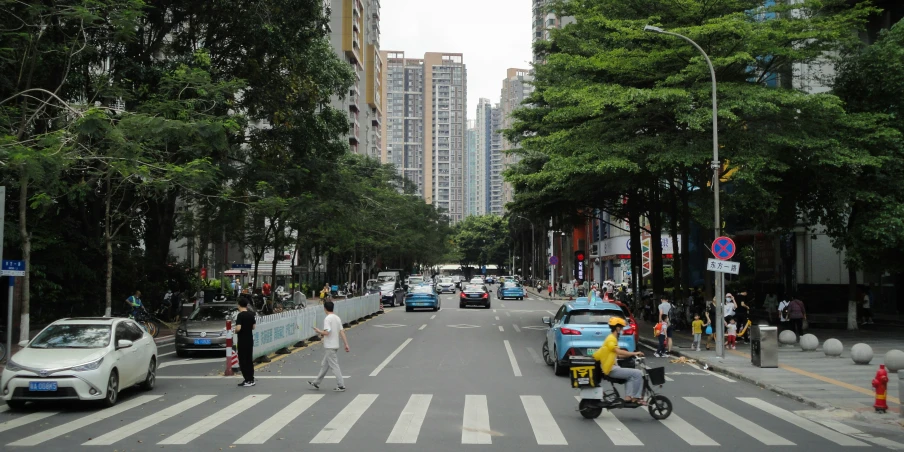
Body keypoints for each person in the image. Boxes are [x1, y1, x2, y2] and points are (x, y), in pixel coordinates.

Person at [593, 318, 646, 405]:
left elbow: (617, 355)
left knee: (629, 377)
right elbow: (618, 351)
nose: (621, 330)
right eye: (621, 328)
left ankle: (628, 397)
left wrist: (632, 355)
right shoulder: (611, 339)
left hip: (612, 367)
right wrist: (634, 353)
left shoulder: (612, 338)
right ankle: (636, 397)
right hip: (611, 369)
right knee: (638, 373)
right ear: (617, 328)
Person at [309, 301, 350, 392]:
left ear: (325, 309)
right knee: (325, 364)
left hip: (330, 346)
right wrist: (346, 344)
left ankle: (341, 385)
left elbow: (327, 332)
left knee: (334, 366)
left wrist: (319, 331)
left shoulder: (328, 319)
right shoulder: (337, 318)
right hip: (335, 345)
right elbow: (342, 332)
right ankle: (316, 382)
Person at [235, 297, 257, 387]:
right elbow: (253, 327)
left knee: (243, 360)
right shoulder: (251, 314)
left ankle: (247, 379)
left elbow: (238, 328)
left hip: (242, 340)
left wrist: (235, 331)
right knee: (249, 360)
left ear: (239, 305)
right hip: (249, 339)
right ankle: (251, 378)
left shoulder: (240, 315)